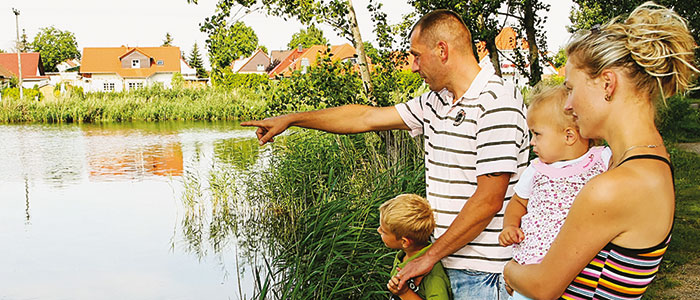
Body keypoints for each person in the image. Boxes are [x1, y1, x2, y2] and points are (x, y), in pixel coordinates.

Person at [242, 10, 528, 299]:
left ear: (442, 50)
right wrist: (292, 119)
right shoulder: (436, 101)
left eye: (417, 55)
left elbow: (488, 200)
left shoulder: (498, 101)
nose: (414, 67)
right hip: (445, 263)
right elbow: (365, 118)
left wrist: (427, 257)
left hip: (485, 275)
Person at [503, 2, 699, 299]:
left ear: (607, 83)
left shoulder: (614, 186)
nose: (567, 105)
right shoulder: (650, 161)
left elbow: (543, 286)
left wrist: (509, 271)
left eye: (570, 88)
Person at [497, 85, 611, 300]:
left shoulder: (601, 159)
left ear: (569, 136)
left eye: (537, 134)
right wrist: (510, 226)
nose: (532, 142)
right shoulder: (536, 170)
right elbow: (518, 202)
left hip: (581, 265)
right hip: (532, 265)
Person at [379, 194, 452, 300]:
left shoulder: (433, 274)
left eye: (384, 231)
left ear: (404, 242)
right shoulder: (403, 256)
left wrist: (404, 292)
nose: (378, 230)